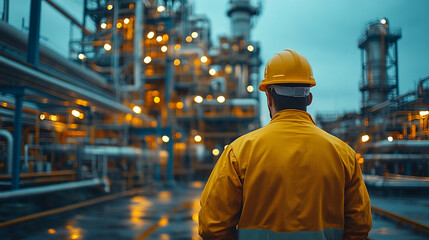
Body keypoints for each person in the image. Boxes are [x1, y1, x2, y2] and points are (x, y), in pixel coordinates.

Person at [198, 49, 372, 240]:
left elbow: (212, 226)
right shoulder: (344, 154)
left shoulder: (239, 152)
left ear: (269, 98)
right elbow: (360, 227)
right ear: (309, 99)